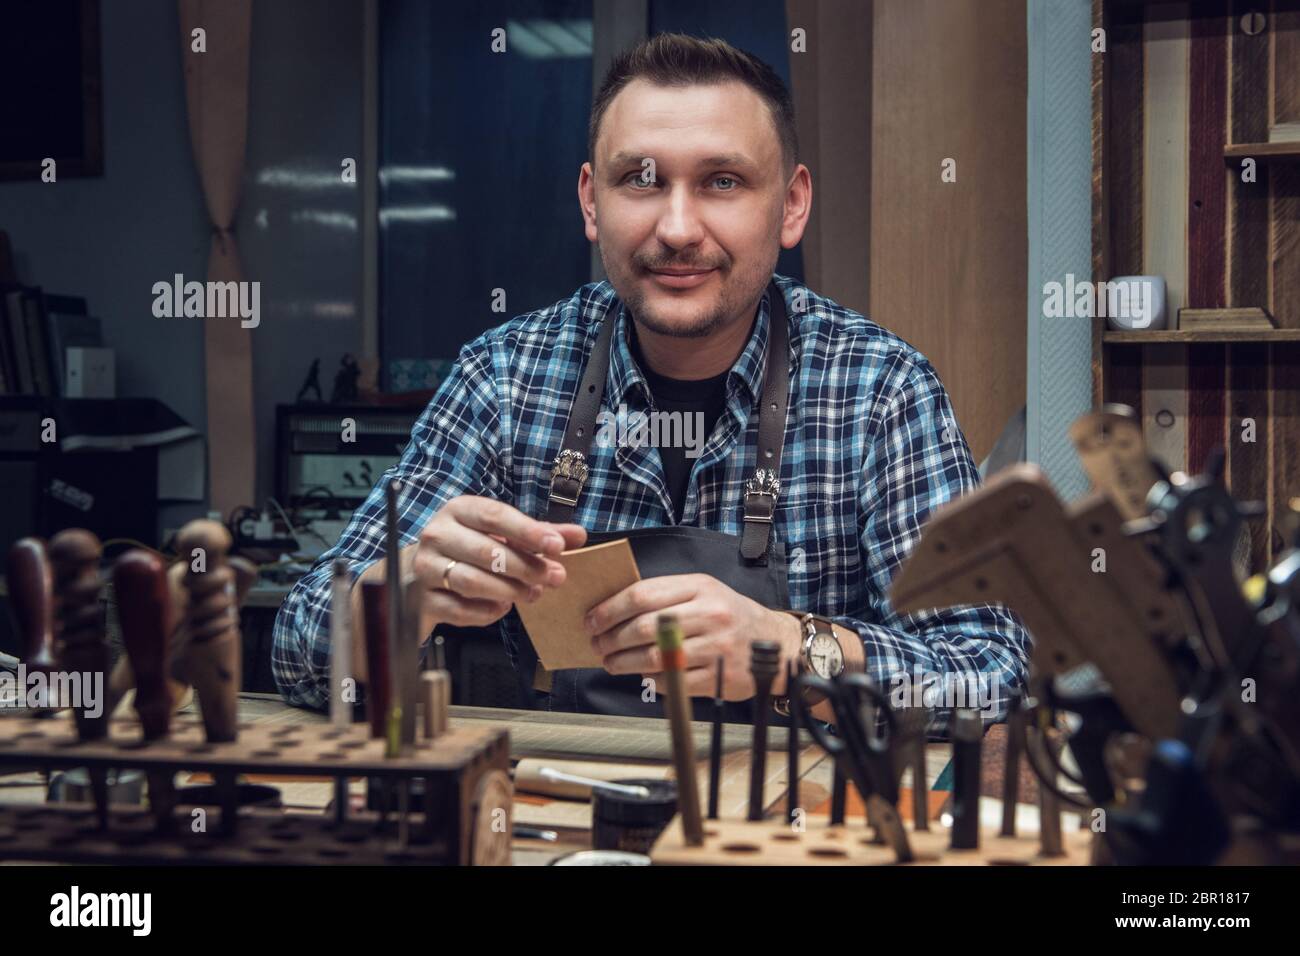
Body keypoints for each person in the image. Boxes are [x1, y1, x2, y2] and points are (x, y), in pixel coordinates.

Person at [273, 33, 1030, 732]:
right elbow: (296, 653)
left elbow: (990, 674)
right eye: (640, 179)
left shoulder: (879, 389)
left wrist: (794, 648)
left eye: (722, 181)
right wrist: (391, 601)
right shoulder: (505, 379)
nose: (676, 228)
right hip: (564, 816)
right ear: (591, 202)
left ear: (791, 205)